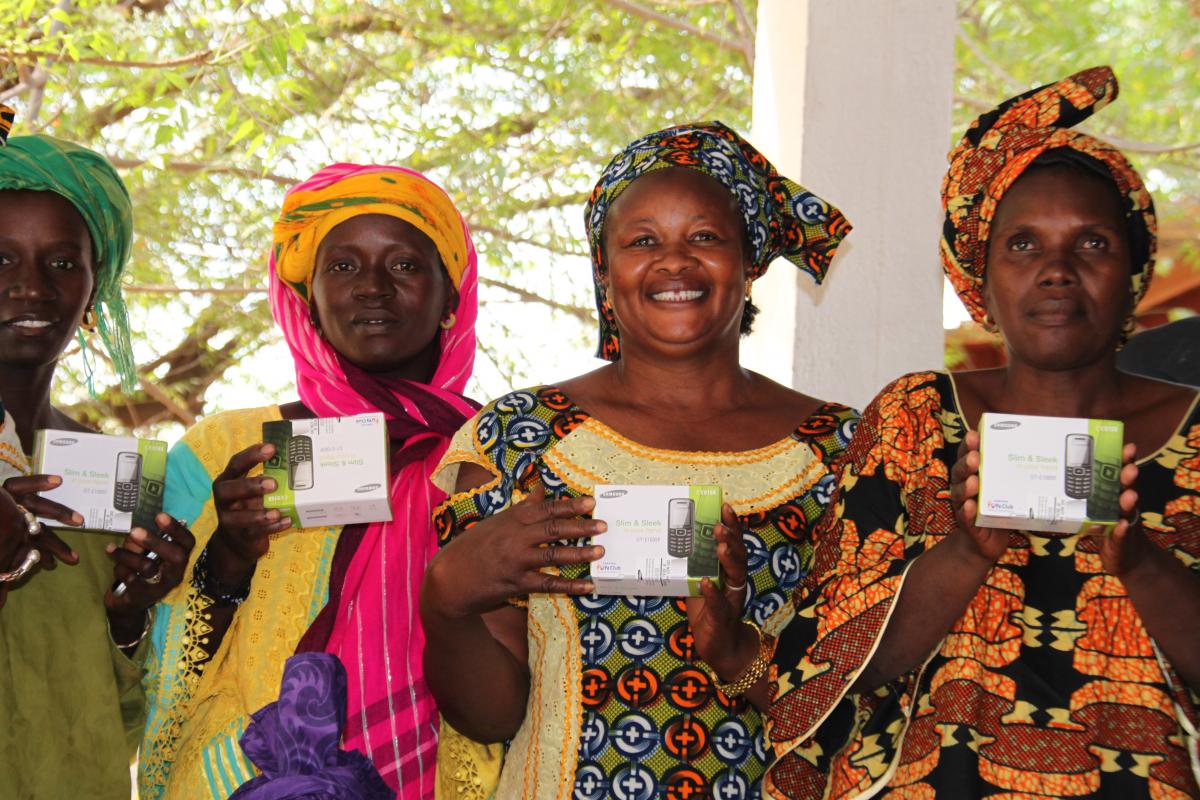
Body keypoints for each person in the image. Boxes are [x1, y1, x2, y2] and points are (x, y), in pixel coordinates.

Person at [761, 66, 1200, 799]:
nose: (1057, 271)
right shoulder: (914, 419)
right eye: (1023, 246)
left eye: (1091, 245)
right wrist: (968, 550)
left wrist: (1141, 560)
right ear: (980, 280)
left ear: (1132, 275)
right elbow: (833, 664)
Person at [421, 121, 857, 799]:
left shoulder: (842, 449)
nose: (674, 263)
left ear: (752, 262)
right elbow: (491, 714)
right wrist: (446, 599)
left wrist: (743, 653)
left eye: (706, 238)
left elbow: (869, 699)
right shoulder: (517, 440)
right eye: (642, 240)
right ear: (603, 265)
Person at [139, 163, 480, 799]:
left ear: (449, 298)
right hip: (244, 780)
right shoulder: (218, 449)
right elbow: (151, 664)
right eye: (343, 267)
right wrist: (228, 561)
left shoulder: (495, 456)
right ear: (309, 301)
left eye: (404, 265)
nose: (372, 288)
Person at [0, 113, 193, 798]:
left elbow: (128, 716)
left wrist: (130, 615)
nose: (32, 287)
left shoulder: (119, 476)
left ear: (92, 290)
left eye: (62, 263)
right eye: (1, 259)